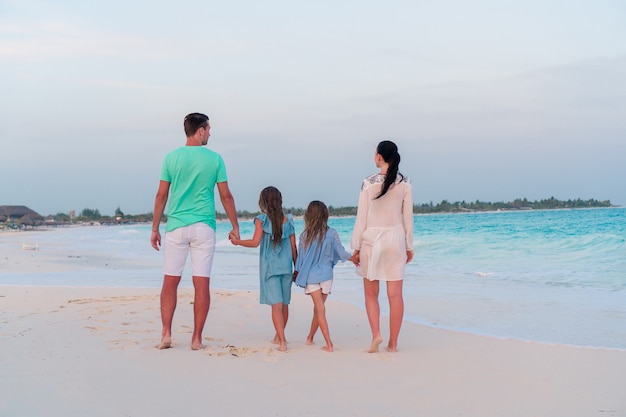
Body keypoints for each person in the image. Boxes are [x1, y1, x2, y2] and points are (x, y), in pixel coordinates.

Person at [150, 112, 239, 351]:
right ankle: (196, 339)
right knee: (202, 284)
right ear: (200, 130)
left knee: (170, 282)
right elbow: (226, 196)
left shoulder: (171, 158)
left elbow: (161, 195)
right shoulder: (215, 159)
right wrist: (235, 226)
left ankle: (167, 334)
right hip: (203, 227)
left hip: (176, 227)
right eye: (208, 129)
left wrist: (155, 228)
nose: (210, 133)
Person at [350, 140, 414, 353]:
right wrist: (409, 245)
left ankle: (376, 334)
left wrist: (356, 247)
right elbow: (408, 218)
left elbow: (362, 219)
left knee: (371, 294)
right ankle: (393, 343)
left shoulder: (368, 183)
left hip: (372, 240)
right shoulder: (405, 183)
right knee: (395, 295)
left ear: (379, 157)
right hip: (395, 239)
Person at [229, 186, 297, 352]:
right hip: (287, 267)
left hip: (271, 268)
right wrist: (297, 267)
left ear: (263, 202)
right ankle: (279, 336)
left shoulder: (262, 220)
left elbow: (255, 242)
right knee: (285, 304)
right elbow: (294, 247)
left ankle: (282, 342)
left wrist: (237, 242)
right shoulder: (288, 219)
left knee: (276, 305)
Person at [293, 200, 357, 352]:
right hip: (327, 275)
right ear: (325, 215)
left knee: (319, 309)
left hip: (311, 276)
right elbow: (340, 252)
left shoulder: (305, 235)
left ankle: (329, 344)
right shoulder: (332, 233)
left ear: (308, 216)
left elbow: (301, 258)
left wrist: (297, 272)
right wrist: (354, 258)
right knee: (319, 308)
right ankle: (310, 337)